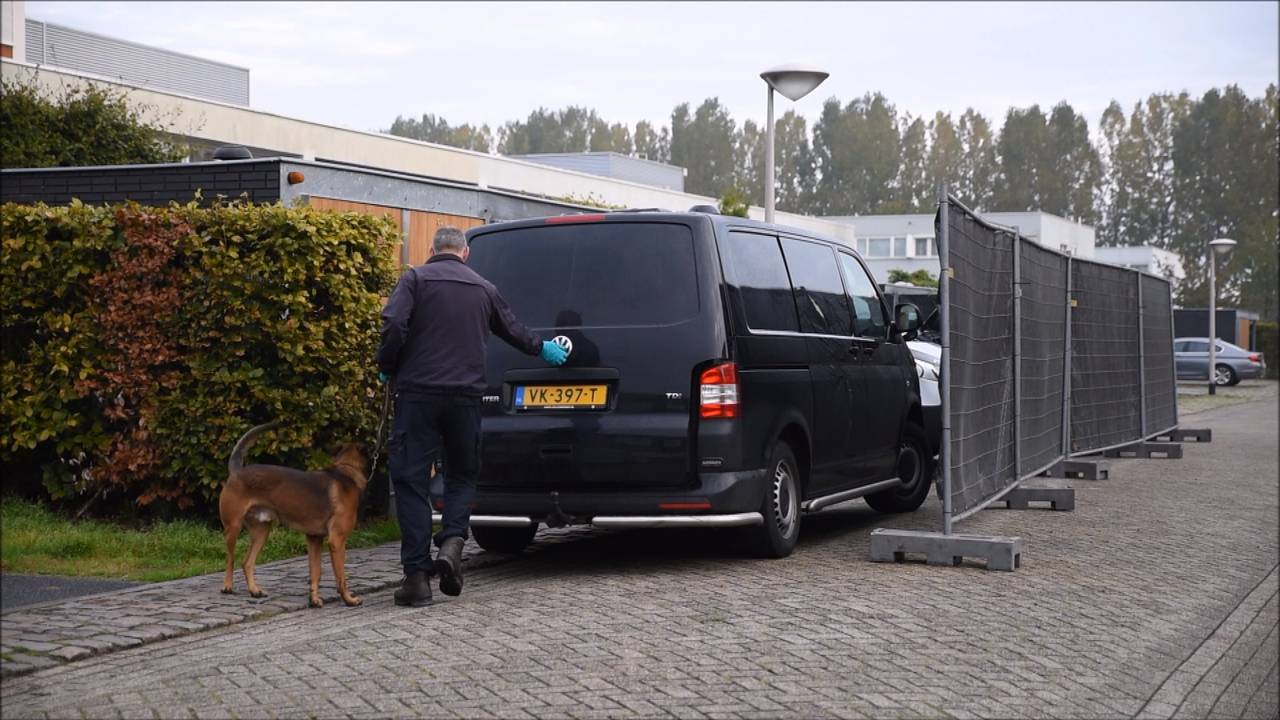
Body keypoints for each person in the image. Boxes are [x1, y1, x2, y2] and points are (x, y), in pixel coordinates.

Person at [376, 226, 567, 607]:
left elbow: (394, 324)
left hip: (418, 396)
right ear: (465, 253)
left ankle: (416, 578)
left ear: (432, 250)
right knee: (462, 474)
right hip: (466, 398)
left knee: (412, 481)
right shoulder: (483, 288)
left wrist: (387, 364)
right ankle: (452, 544)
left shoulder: (415, 278)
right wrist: (542, 348)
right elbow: (514, 331)